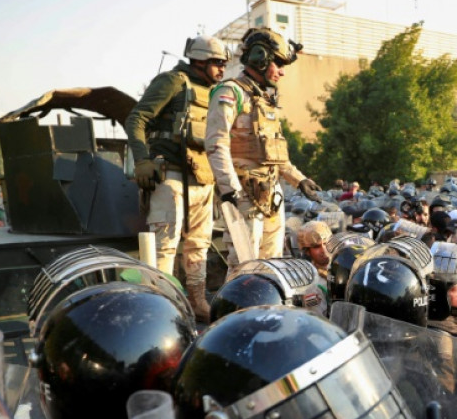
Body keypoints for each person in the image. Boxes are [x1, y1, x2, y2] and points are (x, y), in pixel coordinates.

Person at [124, 35, 228, 321]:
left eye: (224, 64)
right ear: (200, 61)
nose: (222, 69)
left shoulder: (217, 92)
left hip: (202, 178)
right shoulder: (172, 81)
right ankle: (162, 310)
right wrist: (142, 160)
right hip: (170, 174)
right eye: (218, 63)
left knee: (199, 245)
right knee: (165, 246)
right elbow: (136, 118)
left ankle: (196, 302)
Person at [205, 27, 323, 273]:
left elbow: (275, 155)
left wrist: (299, 180)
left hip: (271, 195)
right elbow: (216, 144)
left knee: (273, 264)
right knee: (244, 266)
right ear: (260, 59)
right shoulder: (230, 92)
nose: (281, 72)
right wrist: (230, 190)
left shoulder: (266, 102)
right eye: (278, 64)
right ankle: (240, 310)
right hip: (243, 195)